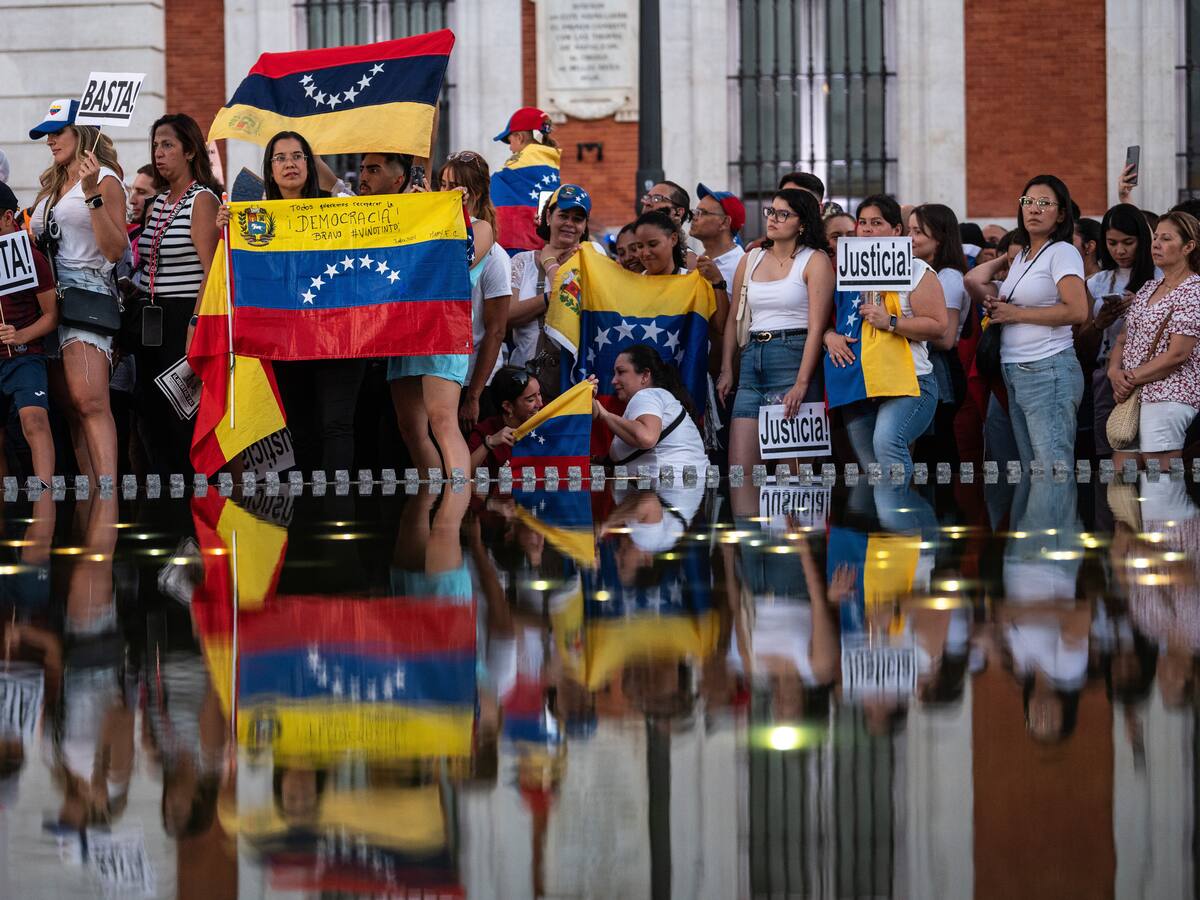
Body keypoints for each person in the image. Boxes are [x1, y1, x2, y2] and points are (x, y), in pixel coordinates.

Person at [214, 131, 365, 474]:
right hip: (286, 340)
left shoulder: (339, 208)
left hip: (339, 336)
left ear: (310, 165)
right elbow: (245, 272)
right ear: (269, 168)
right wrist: (225, 230)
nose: (289, 164)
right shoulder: (254, 218)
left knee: (336, 426)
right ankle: (307, 519)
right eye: (280, 158)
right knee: (299, 427)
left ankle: (338, 515)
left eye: (298, 156)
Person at [28, 98, 128, 484]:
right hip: (48, 296)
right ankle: (91, 491)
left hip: (86, 289)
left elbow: (115, 250)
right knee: (71, 406)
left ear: (82, 132)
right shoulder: (53, 183)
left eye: (58, 132)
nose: (51, 141)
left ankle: (108, 491)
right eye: (46, 135)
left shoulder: (104, 179)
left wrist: (91, 193)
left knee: (90, 401)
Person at [967, 175, 1088, 467]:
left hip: (1047, 369)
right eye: (1028, 202)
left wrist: (1016, 314)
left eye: (1044, 203)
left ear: (1061, 214)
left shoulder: (1063, 252)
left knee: (1050, 469)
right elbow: (972, 280)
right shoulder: (1024, 256)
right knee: (1033, 470)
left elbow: (1078, 311)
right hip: (1017, 369)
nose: (1033, 209)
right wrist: (1006, 271)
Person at [390, 150, 497, 475]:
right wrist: (412, 210)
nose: (444, 190)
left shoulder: (482, 228)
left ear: (472, 192)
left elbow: (459, 257)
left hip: (444, 330)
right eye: (442, 183)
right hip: (407, 327)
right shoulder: (428, 219)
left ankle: (455, 507)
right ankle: (433, 501)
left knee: (442, 421)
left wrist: (449, 214)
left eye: (454, 186)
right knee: (411, 429)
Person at [825, 194, 948, 474]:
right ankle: (893, 516)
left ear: (896, 231)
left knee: (888, 446)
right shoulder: (845, 273)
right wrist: (828, 336)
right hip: (859, 382)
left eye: (876, 222)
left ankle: (901, 515)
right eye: (863, 222)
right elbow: (832, 323)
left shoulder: (918, 270)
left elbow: (939, 326)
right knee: (873, 470)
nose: (867, 229)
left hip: (910, 382)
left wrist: (891, 322)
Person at [716, 188, 833, 471]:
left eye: (784, 214)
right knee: (741, 471)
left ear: (802, 223)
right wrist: (727, 369)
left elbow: (817, 328)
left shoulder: (815, 260)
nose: (773, 219)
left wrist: (802, 382)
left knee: (793, 475)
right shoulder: (751, 257)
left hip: (793, 356)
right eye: (771, 211)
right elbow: (734, 317)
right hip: (752, 356)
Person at [133, 114, 220, 476]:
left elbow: (212, 270)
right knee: (149, 415)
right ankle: (164, 507)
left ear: (189, 150)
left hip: (184, 317)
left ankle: (193, 507)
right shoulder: (157, 203)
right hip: (150, 319)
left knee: (180, 417)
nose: (159, 153)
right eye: (155, 145)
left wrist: (195, 323)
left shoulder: (202, 200)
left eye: (167, 145)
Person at [1108, 211, 1200, 467]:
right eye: (1155, 237)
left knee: (1160, 489)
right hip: (1133, 395)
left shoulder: (1193, 290)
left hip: (1168, 396)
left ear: (1188, 247)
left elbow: (1178, 355)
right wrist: (1114, 372)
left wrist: (1129, 378)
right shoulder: (1149, 287)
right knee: (1121, 479)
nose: (1156, 244)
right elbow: (1123, 339)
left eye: (1166, 239)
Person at [1075, 203, 1157, 456]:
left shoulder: (1161, 276)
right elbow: (1083, 343)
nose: (1120, 250)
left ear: (1142, 240)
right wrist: (1100, 323)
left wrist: (1143, 306)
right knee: (1112, 453)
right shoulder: (1097, 282)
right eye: (1112, 243)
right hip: (1107, 376)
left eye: (1128, 242)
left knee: (1153, 454)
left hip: (1154, 374)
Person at [507, 184, 601, 396]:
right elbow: (507, 316)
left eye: (577, 219)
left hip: (573, 380)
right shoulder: (522, 261)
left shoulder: (593, 259)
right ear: (548, 217)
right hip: (523, 384)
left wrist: (550, 263)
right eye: (563, 215)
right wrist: (551, 297)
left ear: (585, 226)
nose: (570, 224)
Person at [0, 182, 57, 484]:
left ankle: (45, 490)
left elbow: (51, 315)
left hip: (25, 357)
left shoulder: (31, 257)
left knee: (34, 419)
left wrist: (21, 335)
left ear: (8, 217)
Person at [909, 203, 970, 466]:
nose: (910, 239)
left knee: (936, 452)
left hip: (941, 370)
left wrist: (902, 327)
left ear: (940, 237)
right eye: (908, 230)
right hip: (927, 368)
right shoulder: (921, 272)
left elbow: (945, 338)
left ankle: (943, 506)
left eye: (918, 232)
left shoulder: (948, 277)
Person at [590, 345, 708, 475]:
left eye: (621, 372)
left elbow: (646, 437)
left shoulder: (647, 395)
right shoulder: (657, 397)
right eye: (614, 374)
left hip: (670, 490)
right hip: (681, 488)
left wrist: (604, 415)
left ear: (645, 376)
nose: (613, 380)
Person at [468, 366, 545, 471]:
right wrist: (488, 444)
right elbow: (464, 475)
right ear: (508, 406)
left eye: (539, 394)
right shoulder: (485, 431)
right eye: (530, 400)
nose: (540, 404)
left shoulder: (548, 418)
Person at [690, 183, 746, 287]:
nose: (694, 217)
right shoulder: (697, 260)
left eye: (703, 213)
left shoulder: (741, 266)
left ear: (724, 222)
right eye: (696, 212)